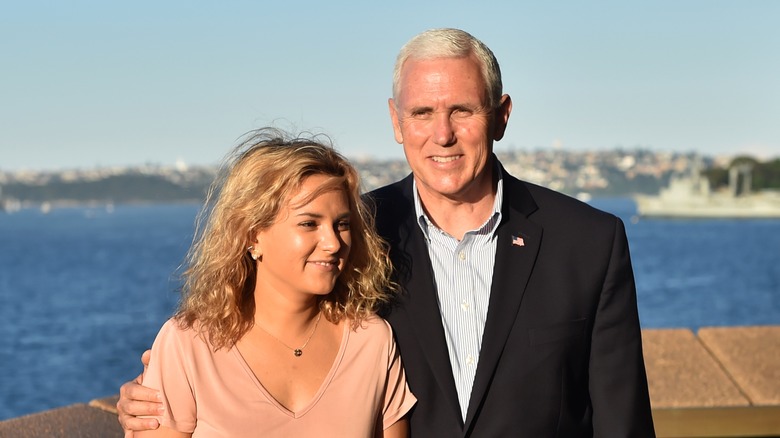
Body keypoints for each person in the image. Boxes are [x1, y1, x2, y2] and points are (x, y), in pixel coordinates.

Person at [119, 28, 655, 436]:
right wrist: (159, 386)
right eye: (422, 112)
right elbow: (261, 324)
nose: (441, 134)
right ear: (396, 122)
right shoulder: (354, 236)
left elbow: (621, 421)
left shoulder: (588, 242)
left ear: (501, 115)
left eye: (461, 110)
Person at [131, 129, 415, 438]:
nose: (333, 242)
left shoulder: (372, 342)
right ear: (253, 236)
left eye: (342, 224)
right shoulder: (188, 346)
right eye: (309, 224)